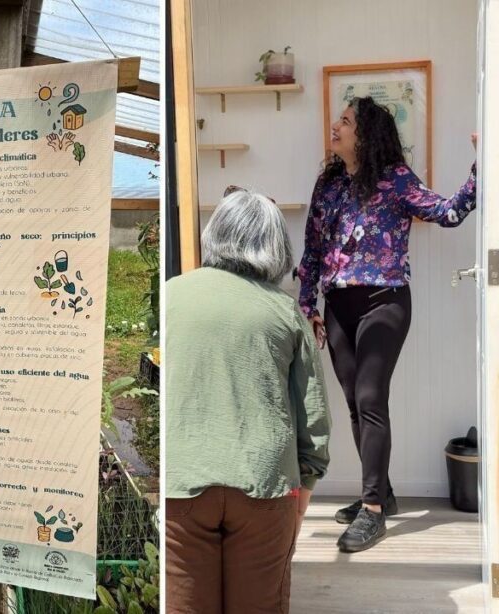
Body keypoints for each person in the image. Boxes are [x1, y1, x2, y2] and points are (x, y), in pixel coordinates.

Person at [298, 96, 477, 553]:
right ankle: (383, 493)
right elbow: (314, 248)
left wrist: (484, 164)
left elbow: (449, 212)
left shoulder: (395, 179)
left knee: (371, 398)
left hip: (385, 300)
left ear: (367, 133)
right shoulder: (329, 182)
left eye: (345, 120)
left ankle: (372, 511)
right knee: (356, 405)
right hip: (338, 304)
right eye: (338, 118)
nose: (335, 125)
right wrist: (308, 305)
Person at [165, 188, 331, 613]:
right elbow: (313, 418)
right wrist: (303, 496)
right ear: (276, 246)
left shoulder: (170, 296)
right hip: (265, 484)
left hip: (180, 482)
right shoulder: (286, 312)